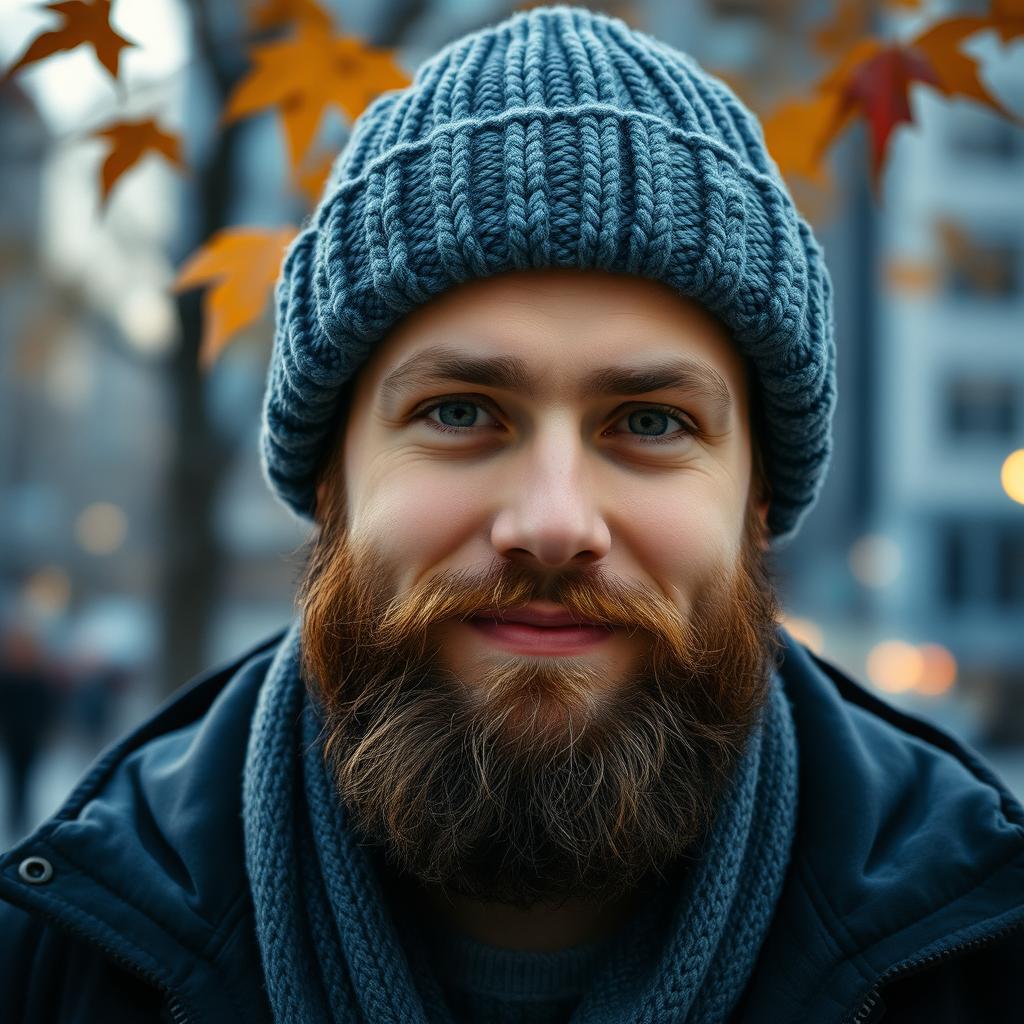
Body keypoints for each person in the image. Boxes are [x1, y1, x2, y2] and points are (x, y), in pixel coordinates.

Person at [1, 6, 1022, 1022]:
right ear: (330, 483)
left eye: (651, 422)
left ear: (757, 499)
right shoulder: (56, 966)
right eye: (458, 412)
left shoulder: (983, 954)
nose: (552, 520)